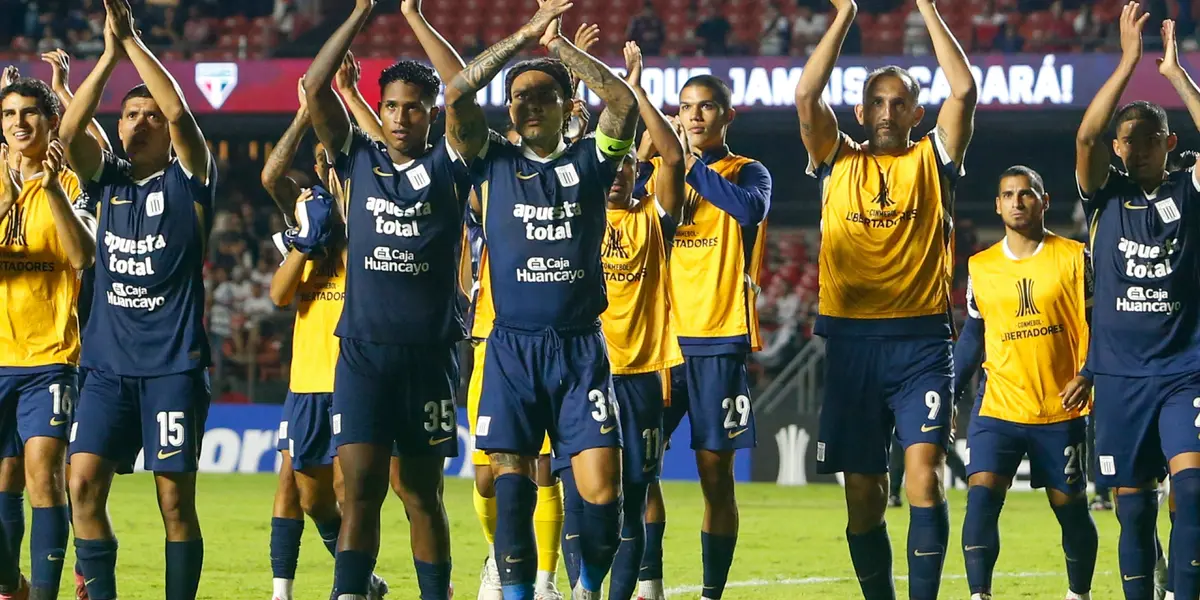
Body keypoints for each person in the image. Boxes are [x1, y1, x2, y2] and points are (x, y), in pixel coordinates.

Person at [444, 0, 639, 596]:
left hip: (581, 351)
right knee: (508, 493)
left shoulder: (590, 161)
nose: (527, 104)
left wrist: (558, 49)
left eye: (540, 96)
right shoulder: (492, 163)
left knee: (603, 491)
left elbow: (625, 105)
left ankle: (587, 586)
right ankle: (520, 592)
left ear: (565, 106)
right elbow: (455, 95)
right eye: (518, 97)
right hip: (510, 351)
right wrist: (525, 34)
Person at [794, 0, 977, 596]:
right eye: (876, 101)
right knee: (863, 496)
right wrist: (845, 14)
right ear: (859, 109)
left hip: (921, 343)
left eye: (900, 103)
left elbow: (966, 89)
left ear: (917, 112)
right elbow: (805, 96)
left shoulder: (933, 159)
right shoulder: (835, 159)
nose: (887, 112)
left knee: (924, 479)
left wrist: (925, 6)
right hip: (849, 346)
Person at [304, 0, 471, 597]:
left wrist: (412, 16)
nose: (401, 118)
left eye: (414, 108)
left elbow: (462, 85)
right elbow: (312, 86)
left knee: (422, 494)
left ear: (432, 116)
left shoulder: (453, 167)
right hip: (364, 356)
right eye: (392, 107)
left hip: (428, 357)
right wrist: (358, 14)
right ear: (380, 109)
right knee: (361, 492)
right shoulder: (357, 159)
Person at [61, 0, 217, 597]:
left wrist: (130, 42)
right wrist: (104, 55)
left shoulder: (189, 178)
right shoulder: (108, 183)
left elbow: (179, 114)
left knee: (174, 502)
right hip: (105, 370)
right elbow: (70, 133)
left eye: (148, 115)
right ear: (118, 125)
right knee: (82, 487)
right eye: (130, 115)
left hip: (172, 369)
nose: (140, 123)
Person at [1075, 6, 1200, 599]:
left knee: (1194, 491)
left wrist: (1174, 74)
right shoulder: (1104, 195)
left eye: (1148, 137)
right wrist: (1128, 62)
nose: (1135, 147)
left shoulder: (1186, 187)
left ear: (1168, 142)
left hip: (1184, 369)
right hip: (1120, 376)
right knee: (1133, 510)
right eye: (1127, 138)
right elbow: (1085, 136)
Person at [636, 59, 772, 600]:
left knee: (716, 479)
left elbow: (748, 210)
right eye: (685, 108)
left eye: (706, 106)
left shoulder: (747, 171)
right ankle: (651, 585)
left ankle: (712, 592)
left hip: (718, 341)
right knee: (638, 469)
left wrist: (687, 163)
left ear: (727, 115)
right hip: (660, 344)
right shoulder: (656, 175)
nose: (694, 115)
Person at [558, 40, 685, 600]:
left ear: (639, 173)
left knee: (635, 492)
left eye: (628, 167)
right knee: (580, 495)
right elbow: (566, 153)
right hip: (584, 371)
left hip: (641, 374)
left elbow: (675, 158)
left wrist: (634, 85)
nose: (616, 177)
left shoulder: (654, 220)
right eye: (611, 166)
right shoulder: (574, 208)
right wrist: (571, 73)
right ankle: (581, 590)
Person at [260, 76, 387, 600]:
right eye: (323, 160)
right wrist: (301, 115)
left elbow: (381, 152)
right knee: (312, 499)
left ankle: (347, 590)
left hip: (357, 376)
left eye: (338, 159)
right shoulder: (305, 217)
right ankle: (364, 582)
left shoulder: (376, 213)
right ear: (316, 168)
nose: (330, 166)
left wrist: (346, 102)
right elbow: (279, 295)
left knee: (350, 489)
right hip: (308, 381)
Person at [954, 166, 1098, 600]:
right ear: (997, 206)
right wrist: (950, 391)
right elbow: (973, 335)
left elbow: (1101, 324)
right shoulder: (981, 266)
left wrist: (1089, 374)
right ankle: (979, 594)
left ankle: (1079, 593)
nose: (1017, 202)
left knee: (1069, 508)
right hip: (997, 405)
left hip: (1060, 407)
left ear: (1044, 200)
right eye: (1008, 195)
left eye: (1027, 194)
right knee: (980, 497)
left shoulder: (1075, 258)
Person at [0, 72, 96, 600]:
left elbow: (82, 256)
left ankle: (42, 594)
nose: (20, 123)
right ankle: (10, 583)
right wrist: (8, 198)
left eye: (29, 113)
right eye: (10, 114)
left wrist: (49, 187)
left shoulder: (73, 180)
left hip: (49, 356)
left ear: (50, 120)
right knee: (4, 481)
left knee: (41, 476)